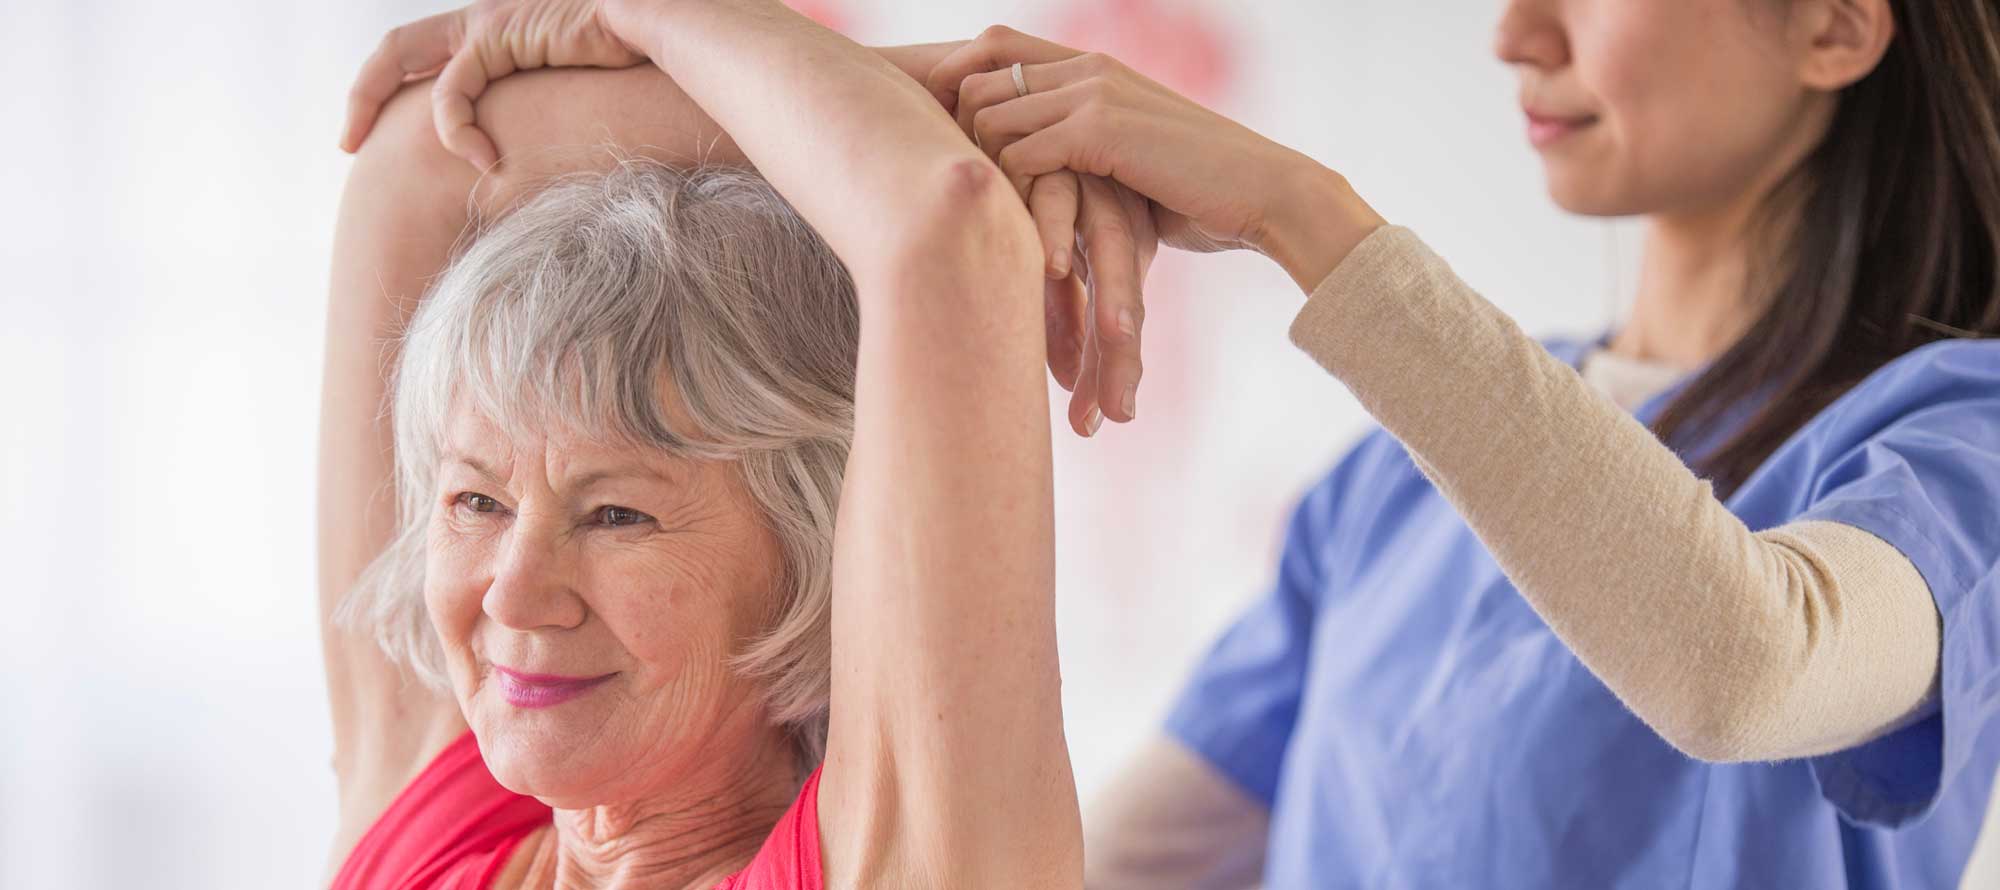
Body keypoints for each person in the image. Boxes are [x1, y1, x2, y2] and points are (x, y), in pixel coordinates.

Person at [342, 0, 2000, 887]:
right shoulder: (1388, 492)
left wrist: (1292, 208)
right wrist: (986, 103)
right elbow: (1124, 866)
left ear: (1843, 25)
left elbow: (1742, 666)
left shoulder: (1953, 441)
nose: (1515, 28)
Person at [318, 0, 1086, 886]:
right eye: (476, 501)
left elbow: (944, 217)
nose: (515, 595)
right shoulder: (426, 826)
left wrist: (636, 12)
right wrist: (980, 110)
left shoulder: (895, 859)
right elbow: (429, 146)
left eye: (616, 513)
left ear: (809, 561)